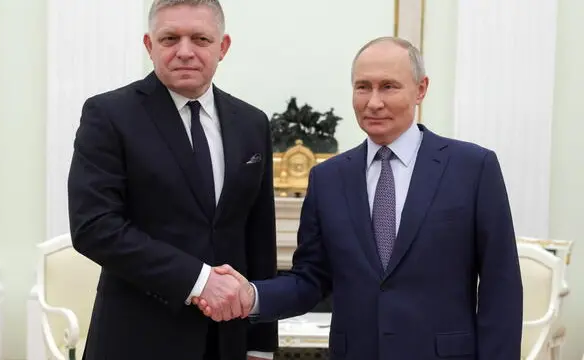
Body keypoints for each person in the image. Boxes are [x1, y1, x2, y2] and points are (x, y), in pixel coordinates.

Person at [195, 37, 524, 360]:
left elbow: (501, 287)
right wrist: (251, 295)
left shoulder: (472, 168)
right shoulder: (328, 178)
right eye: (363, 87)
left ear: (421, 89)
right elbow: (310, 278)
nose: (374, 102)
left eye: (389, 87)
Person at [66, 0, 278, 359]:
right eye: (169, 39)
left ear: (222, 47)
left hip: (226, 341)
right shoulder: (108, 116)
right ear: (149, 46)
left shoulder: (252, 123)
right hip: (136, 339)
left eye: (200, 39)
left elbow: (259, 237)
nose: (185, 52)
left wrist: (260, 345)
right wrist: (198, 281)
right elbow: (94, 227)